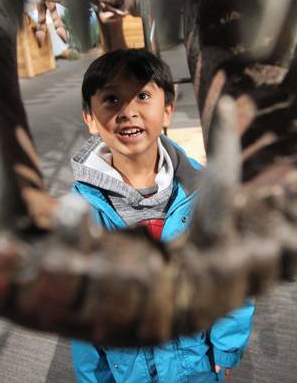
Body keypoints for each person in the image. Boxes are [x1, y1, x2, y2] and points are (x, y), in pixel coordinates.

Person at [69, 49, 254, 381]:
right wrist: (92, 376)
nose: (128, 112)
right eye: (112, 99)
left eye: (142, 96)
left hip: (193, 362)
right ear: (90, 118)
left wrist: (226, 344)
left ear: (167, 109)